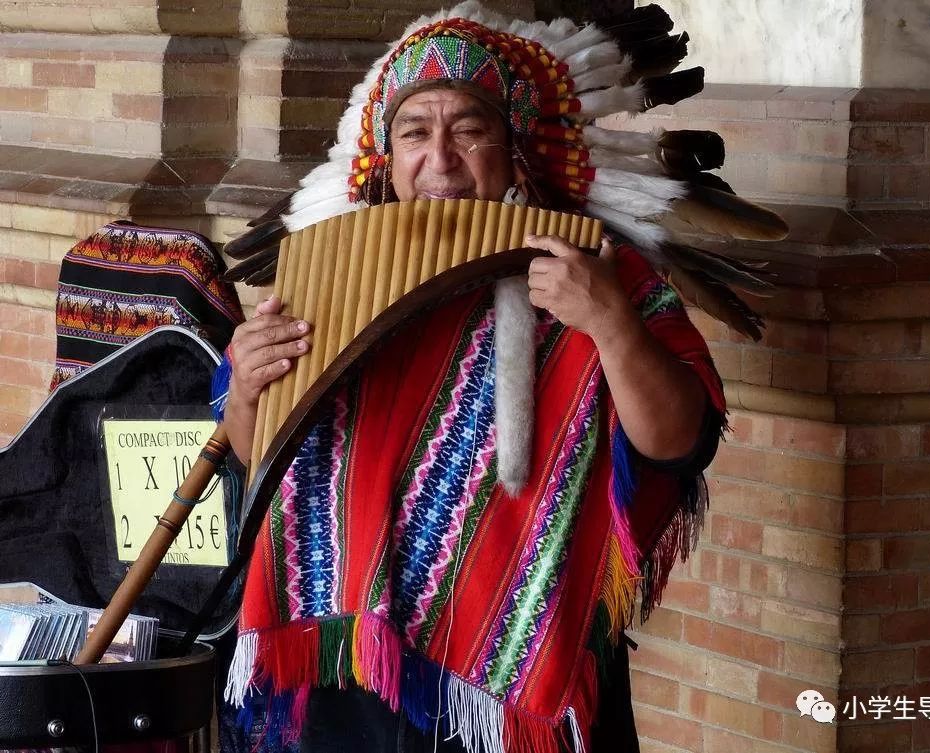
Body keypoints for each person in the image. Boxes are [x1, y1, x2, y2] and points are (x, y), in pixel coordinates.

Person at [213, 3, 762, 752]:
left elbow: (681, 443)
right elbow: (256, 456)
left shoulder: (596, 268)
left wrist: (609, 325)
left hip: (517, 678)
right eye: (414, 132)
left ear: (513, 152)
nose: (439, 159)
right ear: (385, 154)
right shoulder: (330, 273)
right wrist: (246, 388)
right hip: (343, 667)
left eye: (468, 130)